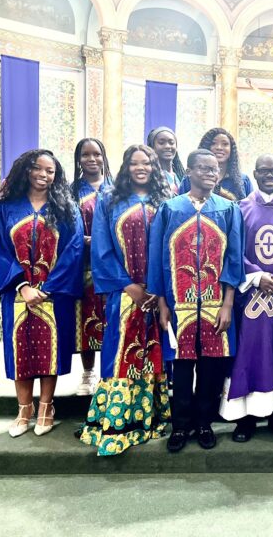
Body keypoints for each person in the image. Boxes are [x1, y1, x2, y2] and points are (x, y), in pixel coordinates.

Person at [0, 149, 83, 438]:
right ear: (27, 170)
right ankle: (24, 409)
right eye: (38, 168)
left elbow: (74, 249)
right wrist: (23, 287)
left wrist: (47, 288)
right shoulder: (7, 208)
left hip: (54, 294)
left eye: (50, 171)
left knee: (50, 350)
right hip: (17, 293)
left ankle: (46, 407)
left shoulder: (66, 208)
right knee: (20, 350)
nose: (44, 175)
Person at [148, 149, 245, 452]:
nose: (210, 173)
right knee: (181, 366)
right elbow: (157, 259)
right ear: (188, 171)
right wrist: (162, 304)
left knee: (211, 366)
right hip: (179, 303)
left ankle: (204, 423)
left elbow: (234, 259)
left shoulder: (228, 209)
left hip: (216, 303)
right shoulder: (170, 209)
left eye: (214, 169)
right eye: (203, 168)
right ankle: (180, 426)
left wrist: (228, 304)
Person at [78, 144, 172, 456]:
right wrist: (129, 287)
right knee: (120, 352)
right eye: (135, 163)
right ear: (125, 167)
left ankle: (149, 418)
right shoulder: (110, 200)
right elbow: (101, 249)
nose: (141, 168)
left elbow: (172, 246)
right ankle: (118, 422)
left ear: (155, 167)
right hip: (124, 293)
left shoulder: (165, 199)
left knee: (153, 352)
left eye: (147, 163)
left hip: (157, 294)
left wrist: (157, 288)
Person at [220, 154, 273, 442]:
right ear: (255, 173)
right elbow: (233, 249)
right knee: (248, 351)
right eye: (264, 171)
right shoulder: (240, 209)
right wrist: (257, 276)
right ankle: (245, 420)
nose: (270, 175)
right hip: (249, 297)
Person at [70, 137, 112, 396]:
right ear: (78, 159)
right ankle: (88, 373)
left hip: (111, 266)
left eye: (96, 154)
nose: (92, 159)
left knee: (110, 319)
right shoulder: (71, 192)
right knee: (86, 319)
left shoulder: (116, 189)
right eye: (85, 155)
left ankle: (110, 372)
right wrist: (83, 240)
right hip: (84, 265)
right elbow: (64, 228)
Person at [184, 127, 252, 201]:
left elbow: (251, 206)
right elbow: (181, 203)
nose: (219, 148)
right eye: (213, 143)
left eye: (225, 144)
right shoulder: (191, 177)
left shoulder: (243, 180)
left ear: (231, 150)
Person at [147, 127, 184, 195]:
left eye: (171, 143)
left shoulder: (181, 176)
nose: (167, 146)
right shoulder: (149, 177)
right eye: (161, 143)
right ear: (152, 147)